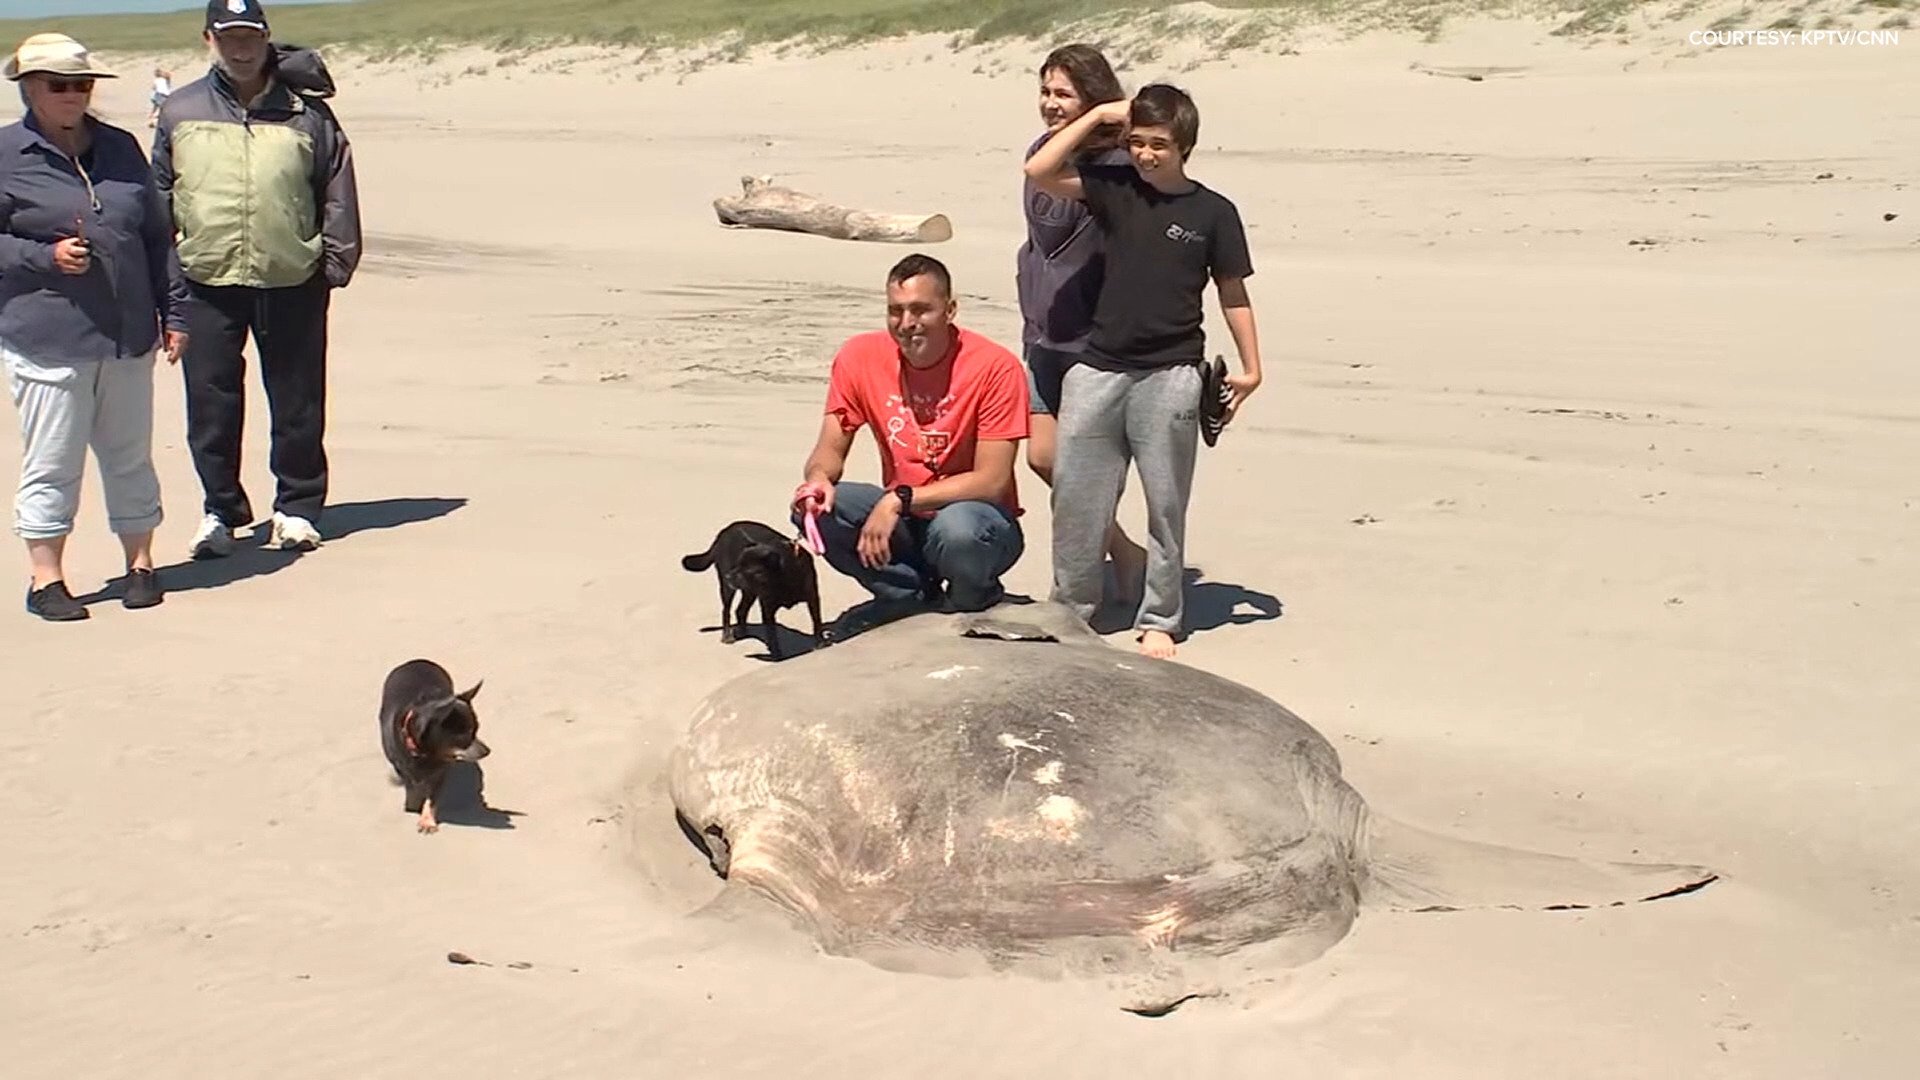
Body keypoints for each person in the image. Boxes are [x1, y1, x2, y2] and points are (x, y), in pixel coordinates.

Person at [1023, 83, 1264, 659]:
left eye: (1159, 144)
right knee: (1078, 497)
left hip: (1172, 371)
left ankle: (1160, 615)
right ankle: (1071, 609)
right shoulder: (1114, 188)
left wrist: (1252, 369)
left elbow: (1232, 293)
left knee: (1165, 501)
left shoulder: (1214, 212)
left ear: (1185, 145)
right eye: (1137, 143)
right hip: (1098, 367)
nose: (1146, 155)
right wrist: (1102, 114)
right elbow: (1039, 169)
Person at [152, 0, 362, 559]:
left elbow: (336, 185)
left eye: (251, 36)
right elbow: (159, 199)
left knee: (297, 399)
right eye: (230, 37)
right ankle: (221, 511)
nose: (242, 47)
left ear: (267, 38)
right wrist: (161, 278)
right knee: (211, 403)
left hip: (292, 275)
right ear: (209, 41)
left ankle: (297, 507)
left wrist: (335, 261)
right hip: (205, 280)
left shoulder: (306, 112)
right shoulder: (179, 110)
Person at [0, 33, 189, 622]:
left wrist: (174, 311)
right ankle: (46, 578)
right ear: (29, 87)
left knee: (130, 456)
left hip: (128, 333)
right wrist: (44, 258)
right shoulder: (6, 153)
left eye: (82, 84)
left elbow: (156, 235)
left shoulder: (120, 147)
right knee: (53, 460)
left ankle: (140, 564)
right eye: (59, 84)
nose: (72, 94)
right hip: (47, 338)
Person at [790, 254, 1029, 622]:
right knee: (820, 509)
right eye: (895, 311)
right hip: (906, 518)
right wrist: (818, 479)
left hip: (976, 519)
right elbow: (828, 449)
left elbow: (991, 480)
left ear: (950, 310)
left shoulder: (995, 366)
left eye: (921, 310)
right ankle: (907, 594)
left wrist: (899, 500)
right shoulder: (859, 357)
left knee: (958, 531)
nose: (906, 324)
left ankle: (972, 597)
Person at [1014, 42, 1149, 604]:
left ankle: (1078, 583)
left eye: (1063, 93)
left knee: (1089, 467)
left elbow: (1047, 174)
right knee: (1043, 457)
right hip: (1043, 331)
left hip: (1094, 339)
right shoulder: (1042, 147)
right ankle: (1122, 548)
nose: (1049, 104)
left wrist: (1097, 118)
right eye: (1045, 92)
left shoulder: (1119, 166)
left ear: (1094, 98)